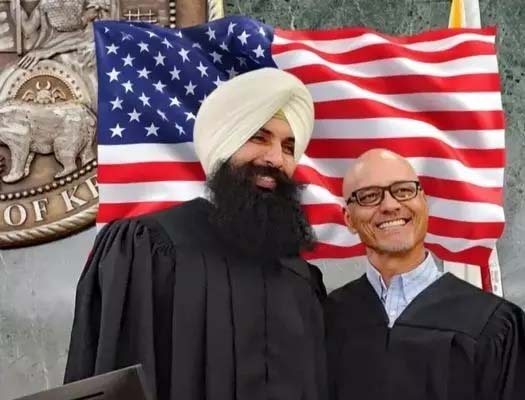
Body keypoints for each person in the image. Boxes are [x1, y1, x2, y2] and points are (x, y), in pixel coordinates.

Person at [64, 68, 327, 400]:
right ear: (224, 144)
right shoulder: (151, 247)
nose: (276, 159)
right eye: (259, 138)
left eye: (288, 147)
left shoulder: (300, 279)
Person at [325, 149, 525, 400]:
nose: (390, 205)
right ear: (349, 219)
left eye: (403, 190)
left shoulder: (491, 322)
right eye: (369, 196)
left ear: (424, 202)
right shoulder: (329, 316)